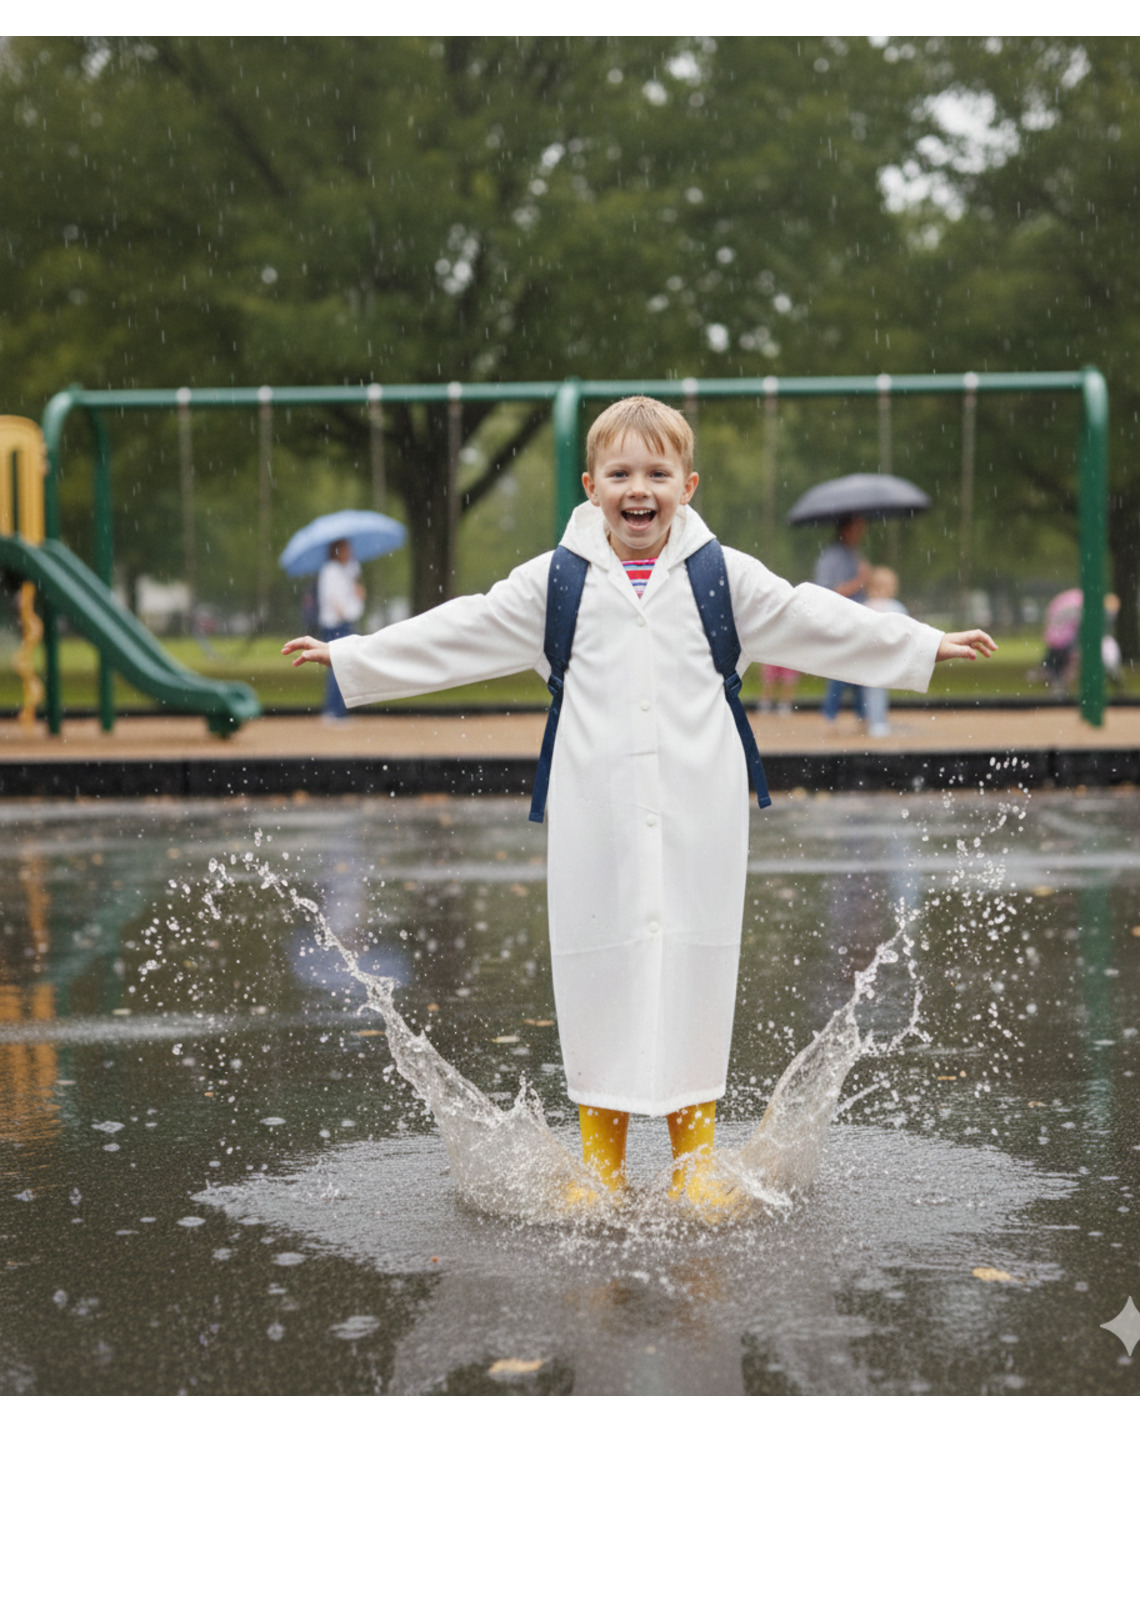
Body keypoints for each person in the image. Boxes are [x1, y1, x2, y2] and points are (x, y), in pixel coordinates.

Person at [283, 397, 995, 1217]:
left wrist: (919, 643)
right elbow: (462, 629)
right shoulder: (555, 581)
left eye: (658, 473)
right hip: (597, 810)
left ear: (687, 485)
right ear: (591, 487)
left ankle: (696, 1164)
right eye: (621, 473)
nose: (639, 489)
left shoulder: (721, 574)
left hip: (700, 809)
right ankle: (601, 1167)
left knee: (695, 965)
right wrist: (352, 655)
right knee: (599, 969)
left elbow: (811, 616)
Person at [815, 512, 871, 723]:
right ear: (846, 529)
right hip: (840, 621)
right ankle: (830, 715)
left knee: (857, 669)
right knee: (842, 668)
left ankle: (861, 715)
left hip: (858, 621)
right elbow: (827, 591)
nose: (861, 534)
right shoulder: (831, 558)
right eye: (857, 528)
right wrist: (860, 581)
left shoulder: (855, 554)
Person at [316, 538, 365, 723]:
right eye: (345, 550)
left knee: (342, 666)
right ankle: (333, 710)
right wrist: (346, 611)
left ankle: (338, 709)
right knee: (337, 666)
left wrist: (357, 596)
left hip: (344, 622)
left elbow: (349, 599)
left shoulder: (347, 571)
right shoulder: (331, 571)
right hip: (336, 624)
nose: (348, 553)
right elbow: (333, 600)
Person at [861, 565, 908, 737]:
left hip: (869, 658)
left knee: (871, 691)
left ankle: (873, 720)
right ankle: (878, 722)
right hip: (885, 658)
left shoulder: (865, 607)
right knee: (878, 691)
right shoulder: (896, 607)